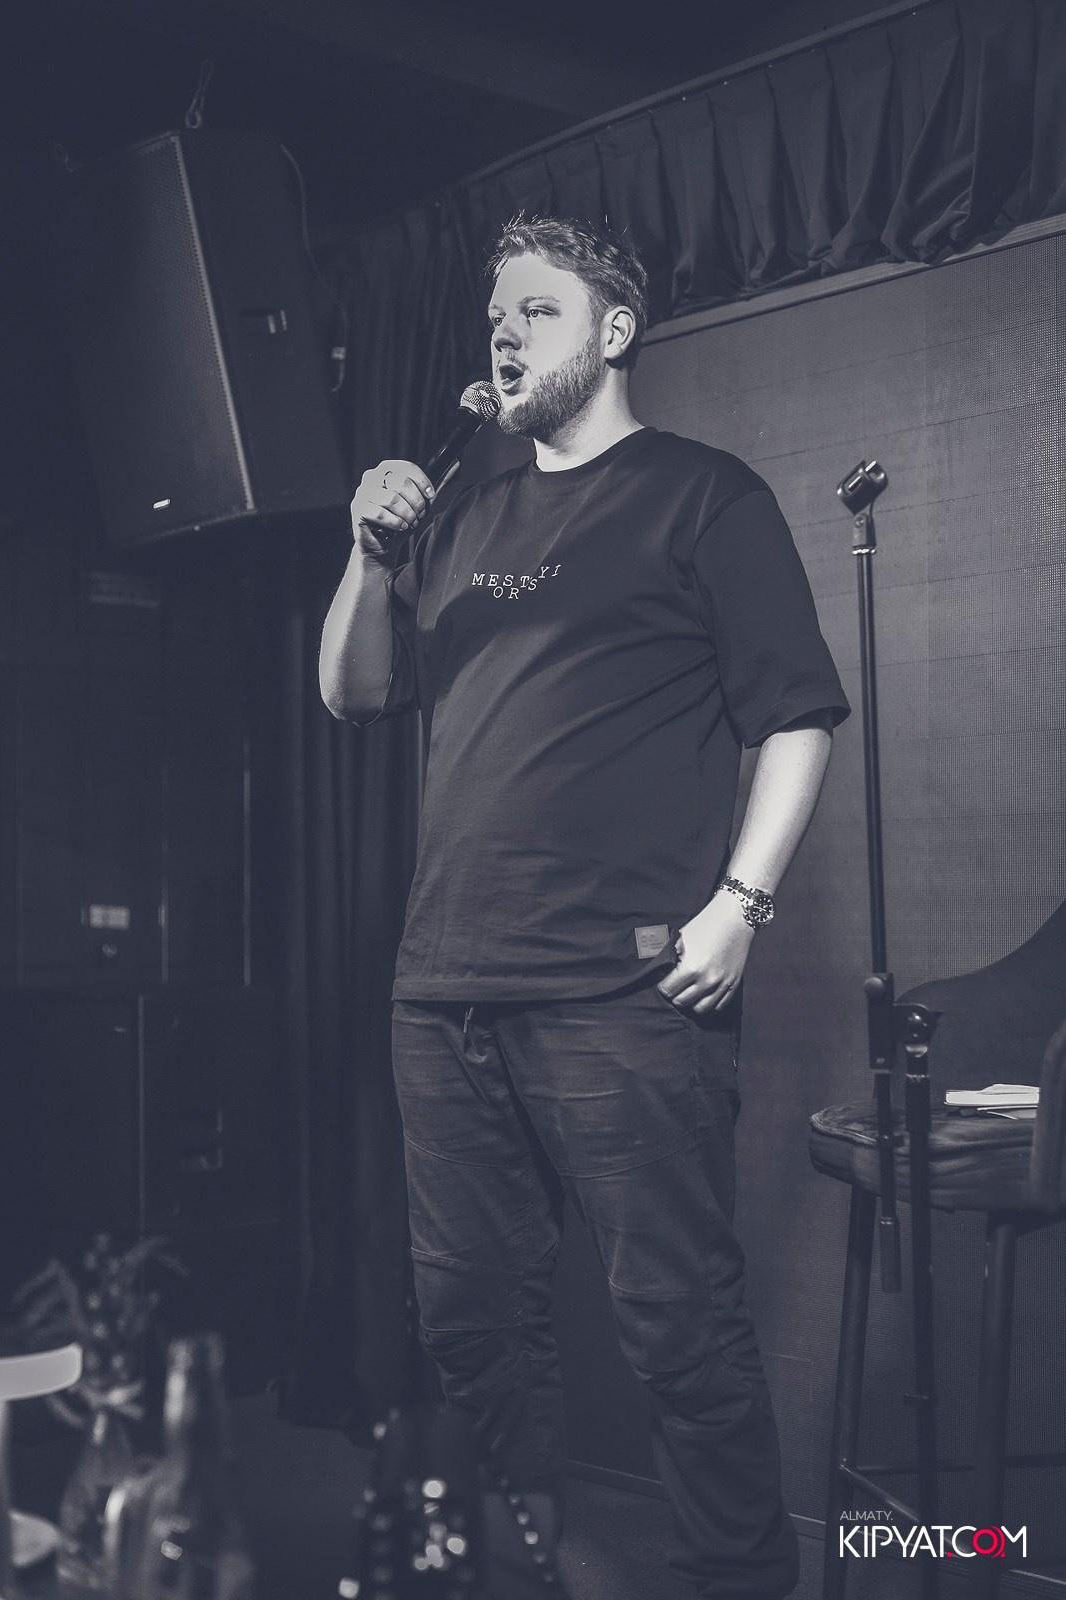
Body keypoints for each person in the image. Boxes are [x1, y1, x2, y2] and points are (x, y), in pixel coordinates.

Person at [319, 214, 850, 1600]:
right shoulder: (461, 516)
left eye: (537, 312)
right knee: (472, 1327)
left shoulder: (703, 496)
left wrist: (741, 905)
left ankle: (738, 1581)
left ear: (614, 332)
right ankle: (515, 1568)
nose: (505, 336)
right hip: (445, 993)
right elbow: (354, 694)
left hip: (622, 992)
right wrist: (369, 559)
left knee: (678, 1322)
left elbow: (796, 715)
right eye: (495, 318)